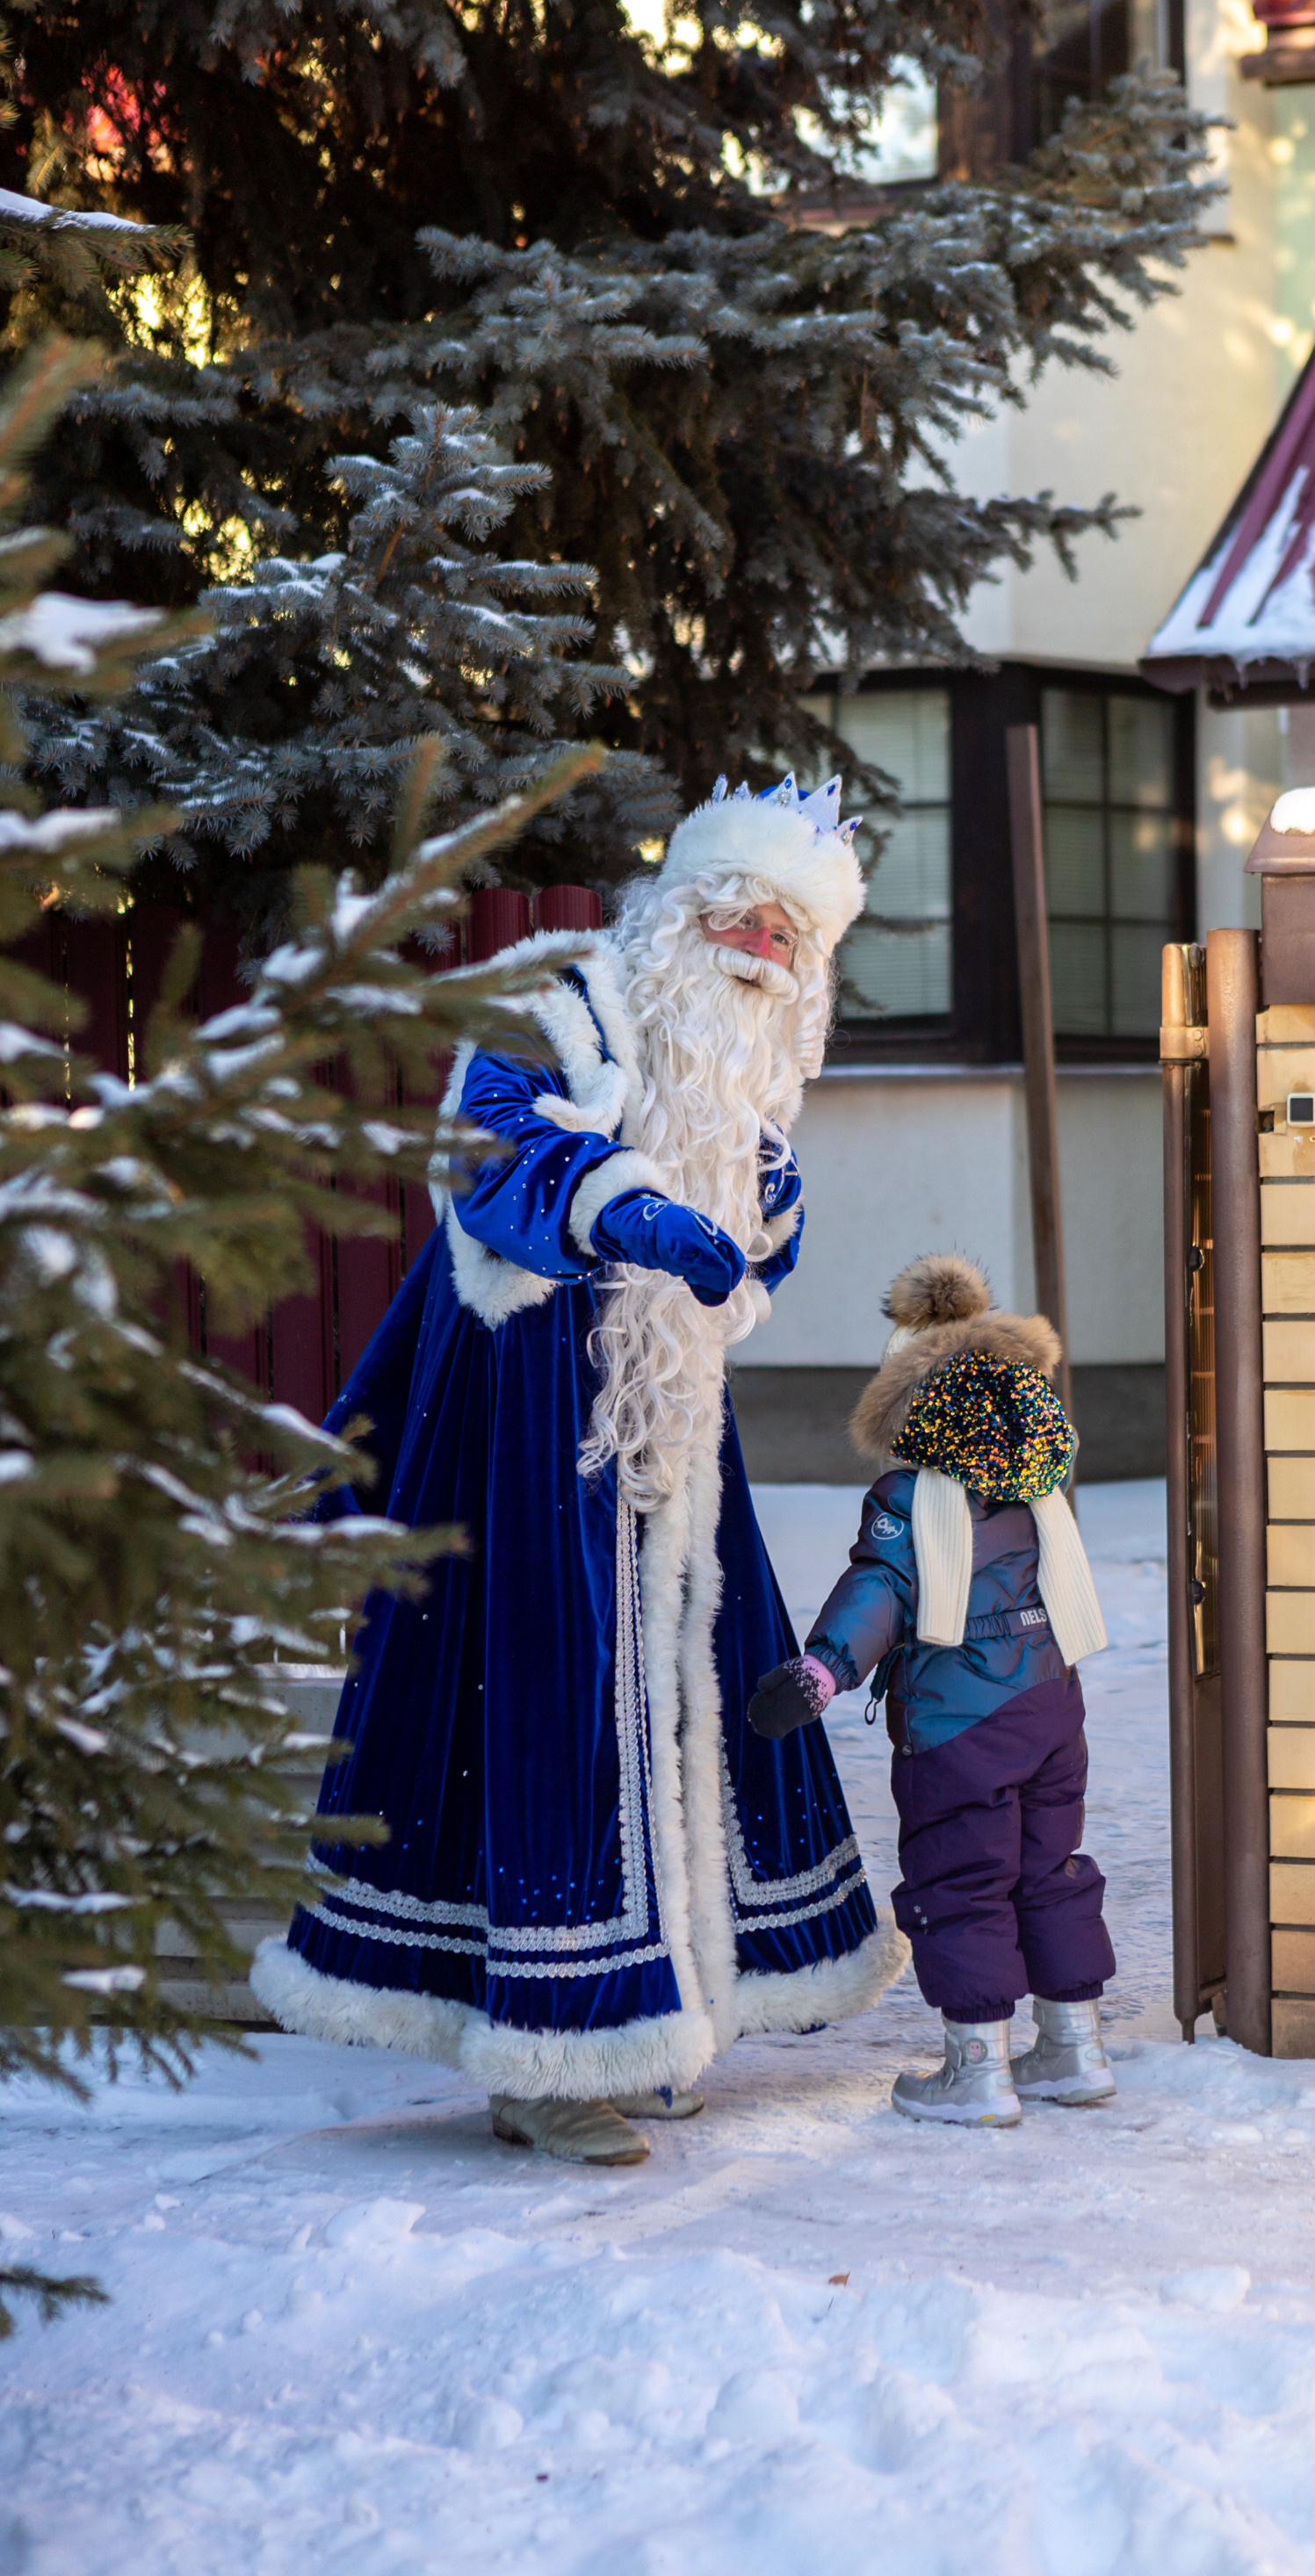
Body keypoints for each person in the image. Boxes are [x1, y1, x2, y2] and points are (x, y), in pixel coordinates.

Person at [252, 776, 907, 2165]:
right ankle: (547, 2057)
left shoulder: (738, 1072)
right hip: (532, 1427)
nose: (761, 950)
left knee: (677, 1711)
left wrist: (757, 1215)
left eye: (791, 936)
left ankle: (649, 2009)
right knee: (548, 1705)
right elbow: (494, 1151)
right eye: (739, 915)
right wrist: (638, 1211)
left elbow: (752, 1232)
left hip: (668, 1428)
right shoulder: (564, 1006)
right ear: (679, 910)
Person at [746, 1254, 1117, 2128]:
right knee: (1048, 1869)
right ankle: (1073, 2050)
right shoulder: (1036, 1487)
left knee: (964, 1878)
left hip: (959, 1726)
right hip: (1051, 1706)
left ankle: (976, 2069)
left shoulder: (910, 1500)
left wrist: (821, 1669)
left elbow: (879, 1588)